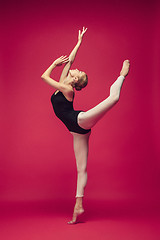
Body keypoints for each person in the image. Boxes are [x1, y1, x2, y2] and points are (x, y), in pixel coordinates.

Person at [41, 27, 130, 224]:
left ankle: (122, 75)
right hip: (76, 131)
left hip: (79, 120)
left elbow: (44, 77)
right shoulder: (66, 80)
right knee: (81, 169)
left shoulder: (66, 88)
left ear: (74, 80)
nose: (76, 68)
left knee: (113, 98)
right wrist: (79, 42)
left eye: (78, 72)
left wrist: (53, 64)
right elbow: (71, 60)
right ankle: (78, 206)